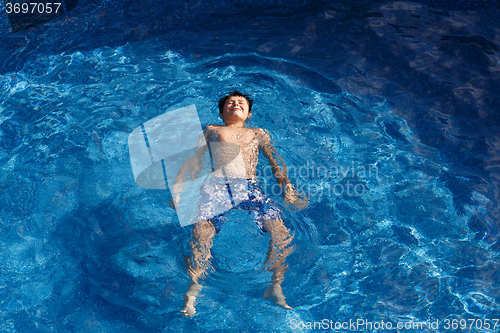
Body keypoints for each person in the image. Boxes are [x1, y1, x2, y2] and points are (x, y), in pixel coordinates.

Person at [171, 91, 308, 317]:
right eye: (230, 103)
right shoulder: (212, 130)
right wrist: (179, 190)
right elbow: (194, 162)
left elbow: (275, 162)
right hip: (218, 186)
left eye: (240, 103)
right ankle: (193, 289)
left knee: (280, 231)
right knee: (202, 232)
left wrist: (288, 189)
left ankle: (275, 285)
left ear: (249, 114)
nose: (235, 104)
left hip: (250, 188)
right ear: (222, 112)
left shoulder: (258, 133)